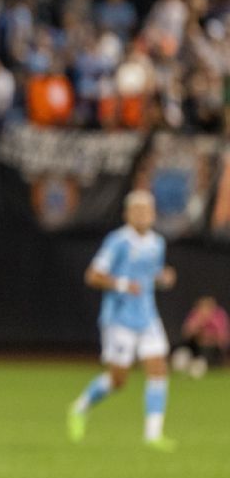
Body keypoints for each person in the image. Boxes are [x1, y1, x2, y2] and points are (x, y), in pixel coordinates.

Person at [69, 190, 177, 451]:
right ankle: (80, 406)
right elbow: (93, 276)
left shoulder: (157, 243)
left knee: (159, 368)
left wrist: (162, 278)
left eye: (146, 210)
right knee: (119, 380)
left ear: (153, 215)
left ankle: (153, 435)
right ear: (127, 214)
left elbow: (149, 276)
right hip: (119, 318)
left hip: (148, 316)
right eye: (137, 210)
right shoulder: (117, 242)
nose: (142, 215)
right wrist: (121, 284)